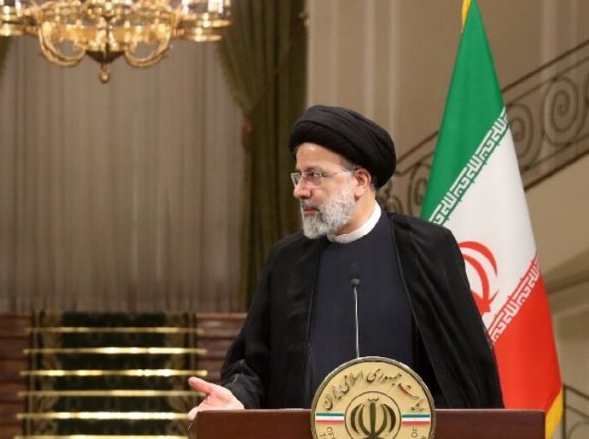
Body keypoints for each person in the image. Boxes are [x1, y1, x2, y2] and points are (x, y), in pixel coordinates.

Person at [188, 105, 502, 417]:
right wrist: (237, 398)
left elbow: (463, 369)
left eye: (314, 175)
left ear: (360, 181)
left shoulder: (427, 249)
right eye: (298, 176)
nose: (299, 191)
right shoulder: (287, 260)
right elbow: (256, 363)